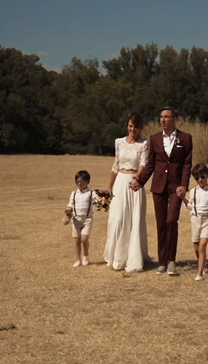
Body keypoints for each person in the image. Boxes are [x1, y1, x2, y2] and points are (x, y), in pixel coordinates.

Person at [133, 106, 193, 276]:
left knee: (171, 221)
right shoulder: (155, 139)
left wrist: (184, 185)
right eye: (161, 117)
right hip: (158, 186)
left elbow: (187, 164)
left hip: (176, 187)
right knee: (161, 223)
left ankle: (171, 260)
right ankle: (162, 261)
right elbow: (151, 165)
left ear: (174, 119)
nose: (163, 120)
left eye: (166, 117)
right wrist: (140, 181)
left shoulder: (186, 138)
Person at [104, 113, 150, 272]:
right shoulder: (119, 142)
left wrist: (137, 178)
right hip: (119, 182)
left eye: (136, 127)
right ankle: (115, 256)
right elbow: (115, 165)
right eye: (131, 126)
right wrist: (110, 186)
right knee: (117, 219)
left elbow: (144, 163)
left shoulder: (144, 144)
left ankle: (132, 257)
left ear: (140, 128)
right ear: (127, 126)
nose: (133, 129)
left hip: (135, 183)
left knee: (134, 219)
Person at [65, 170, 100, 267]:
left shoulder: (91, 193)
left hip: (87, 220)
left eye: (83, 182)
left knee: (84, 239)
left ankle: (85, 255)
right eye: (78, 182)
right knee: (76, 240)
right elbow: (71, 204)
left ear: (88, 182)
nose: (80, 184)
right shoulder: (74, 193)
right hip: (76, 220)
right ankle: (78, 260)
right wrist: (68, 209)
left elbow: (98, 201)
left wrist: (101, 201)